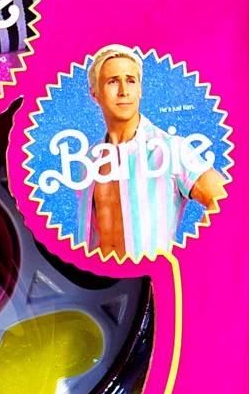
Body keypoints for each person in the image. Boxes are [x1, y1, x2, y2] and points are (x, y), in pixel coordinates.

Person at [84, 44, 227, 259]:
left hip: (149, 278)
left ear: (140, 89)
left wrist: (195, 257)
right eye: (112, 81)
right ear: (95, 94)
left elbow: (226, 200)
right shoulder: (88, 159)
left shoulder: (171, 149)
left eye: (131, 81)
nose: (124, 91)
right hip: (92, 277)